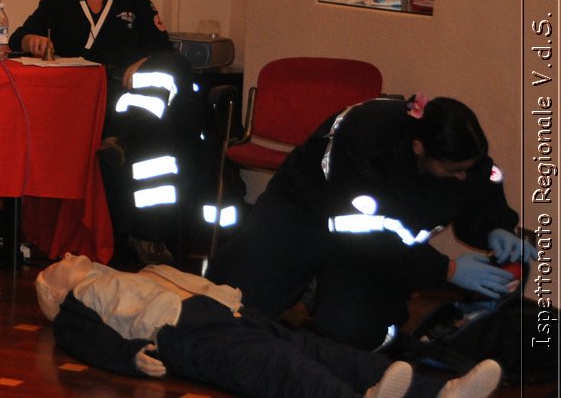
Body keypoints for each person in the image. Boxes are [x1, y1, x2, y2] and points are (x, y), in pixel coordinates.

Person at [36, 254, 504, 398]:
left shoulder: (131, 272)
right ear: (53, 295)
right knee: (277, 368)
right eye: (59, 264)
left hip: (231, 313)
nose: (72, 256)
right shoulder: (78, 304)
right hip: (183, 334)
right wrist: (126, 357)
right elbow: (82, 339)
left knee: (323, 352)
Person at [211, 95, 531, 351]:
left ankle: (321, 290)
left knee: (353, 334)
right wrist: (448, 270)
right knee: (231, 310)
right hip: (302, 214)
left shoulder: (460, 152)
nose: (461, 176)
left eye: (466, 168)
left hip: (373, 247)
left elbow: (478, 189)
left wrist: (496, 226)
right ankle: (306, 279)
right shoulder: (365, 136)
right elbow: (364, 232)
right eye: (452, 170)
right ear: (419, 148)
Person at [10, 0, 202, 261]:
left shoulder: (137, 2)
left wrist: (143, 62)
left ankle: (125, 144)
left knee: (175, 70)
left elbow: (163, 52)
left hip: (128, 100)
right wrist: (31, 39)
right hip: (78, 105)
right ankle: (124, 144)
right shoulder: (58, 3)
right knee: (158, 134)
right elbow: (17, 36)